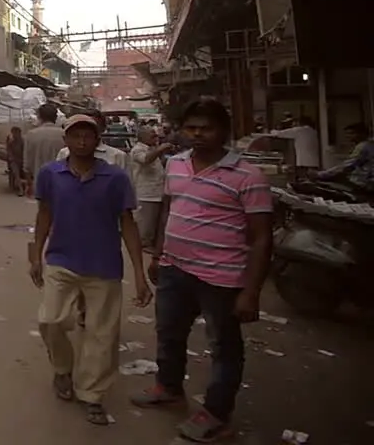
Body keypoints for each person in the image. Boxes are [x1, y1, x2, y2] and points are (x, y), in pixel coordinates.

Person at [131, 99, 273, 442]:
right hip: (175, 269)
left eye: (206, 127)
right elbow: (170, 210)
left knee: (224, 347)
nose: (197, 134)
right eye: (191, 127)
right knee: (169, 333)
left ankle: (216, 413)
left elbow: (262, 237)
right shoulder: (176, 164)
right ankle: (168, 386)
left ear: (223, 131)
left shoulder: (248, 176)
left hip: (221, 278)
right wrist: (158, 254)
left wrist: (251, 291)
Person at [30, 114, 151, 426]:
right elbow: (44, 215)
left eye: (88, 136)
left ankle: (92, 394)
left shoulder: (115, 178)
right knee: (50, 320)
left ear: (98, 141)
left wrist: (140, 273)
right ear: (65, 140)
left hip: (104, 265)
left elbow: (127, 224)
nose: (82, 141)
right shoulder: (50, 174)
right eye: (76, 136)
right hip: (61, 261)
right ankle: (62, 370)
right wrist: (35, 255)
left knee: (101, 334)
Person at [130, 126, 174, 252]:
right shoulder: (138, 150)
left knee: (157, 222)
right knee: (147, 224)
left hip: (158, 192)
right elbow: (146, 159)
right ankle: (144, 245)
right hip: (146, 193)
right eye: (152, 135)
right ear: (142, 137)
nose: (156, 138)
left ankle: (153, 244)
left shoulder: (152, 148)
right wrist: (160, 149)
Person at [56, 109, 129, 170]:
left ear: (102, 129)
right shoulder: (64, 153)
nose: (82, 142)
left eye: (91, 128)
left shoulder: (117, 156)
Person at [315, 122, 374, 194]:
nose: (348, 136)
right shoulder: (368, 145)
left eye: (352, 133)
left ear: (362, 134)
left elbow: (346, 166)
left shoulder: (362, 146)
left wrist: (320, 174)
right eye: (347, 134)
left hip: (361, 182)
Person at [24, 102, 64, 196]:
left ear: (39, 117)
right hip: (62, 182)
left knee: (43, 209)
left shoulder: (31, 134)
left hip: (40, 181)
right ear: (55, 117)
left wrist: (29, 184)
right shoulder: (65, 134)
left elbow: (27, 164)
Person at [6, 126, 26, 196]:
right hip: (15, 161)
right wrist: (11, 158)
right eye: (13, 133)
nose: (15, 135)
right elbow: (9, 152)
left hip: (24, 160)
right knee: (15, 171)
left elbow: (26, 152)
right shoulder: (11, 142)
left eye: (16, 133)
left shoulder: (23, 142)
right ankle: (21, 189)